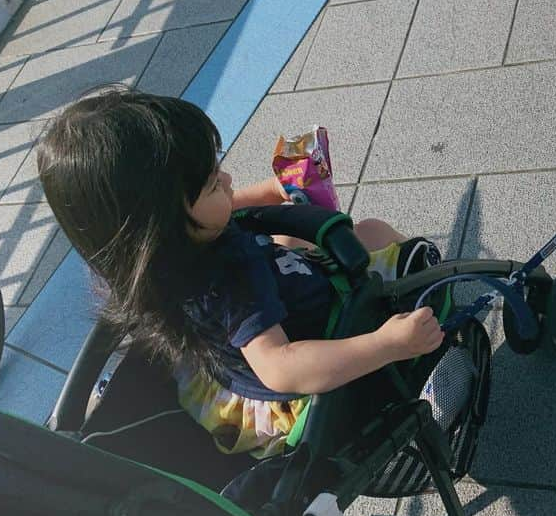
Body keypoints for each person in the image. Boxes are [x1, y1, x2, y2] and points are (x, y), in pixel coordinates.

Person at [36, 88, 444, 457]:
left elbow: (225, 216)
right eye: (214, 183)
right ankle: (436, 324)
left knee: (287, 236)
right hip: (299, 362)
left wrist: (268, 192)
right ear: (164, 222)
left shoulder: (157, 259)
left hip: (225, 372)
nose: (229, 180)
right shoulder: (231, 279)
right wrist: (387, 343)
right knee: (374, 233)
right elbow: (281, 367)